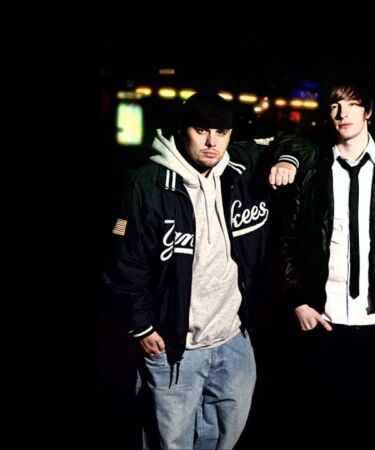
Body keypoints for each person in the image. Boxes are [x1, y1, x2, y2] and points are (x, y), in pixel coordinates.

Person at [103, 91, 304, 449]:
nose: (212, 142)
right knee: (170, 443)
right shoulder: (147, 184)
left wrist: (287, 160)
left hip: (233, 341)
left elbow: (300, 142)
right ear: (182, 129)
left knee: (224, 439)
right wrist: (142, 326)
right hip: (174, 347)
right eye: (202, 131)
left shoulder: (241, 165)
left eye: (221, 132)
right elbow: (123, 263)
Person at [281, 79, 375, 449]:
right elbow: (287, 239)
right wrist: (298, 299)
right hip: (324, 319)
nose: (343, 114)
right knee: (322, 426)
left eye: (353, 104)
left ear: (368, 111)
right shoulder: (313, 168)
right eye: (334, 105)